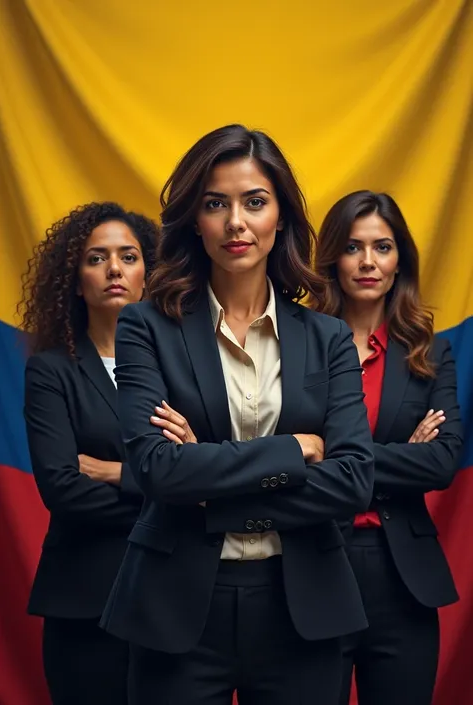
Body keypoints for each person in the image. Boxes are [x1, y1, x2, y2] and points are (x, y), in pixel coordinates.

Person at [100, 124, 375, 705]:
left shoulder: (328, 338)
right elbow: (154, 469)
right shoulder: (146, 327)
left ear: (281, 218)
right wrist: (292, 449)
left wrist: (206, 477)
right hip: (175, 609)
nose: (236, 223)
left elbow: (354, 480)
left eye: (255, 202)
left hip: (303, 606)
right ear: (194, 221)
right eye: (215, 204)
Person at [314, 190, 463, 705]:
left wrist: (330, 452)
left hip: (401, 575)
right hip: (314, 563)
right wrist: (402, 456)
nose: (369, 262)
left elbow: (442, 462)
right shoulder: (296, 346)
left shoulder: (429, 352)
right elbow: (279, 455)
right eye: (354, 247)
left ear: (401, 261)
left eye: (383, 247)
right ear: (333, 258)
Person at [19, 202, 159, 705]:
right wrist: (169, 498)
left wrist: (115, 472)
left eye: (128, 256)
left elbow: (209, 474)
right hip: (84, 597)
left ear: (150, 275)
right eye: (97, 258)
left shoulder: (182, 369)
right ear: (76, 281)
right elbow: (62, 489)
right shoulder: (51, 371)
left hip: (171, 599)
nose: (115, 269)